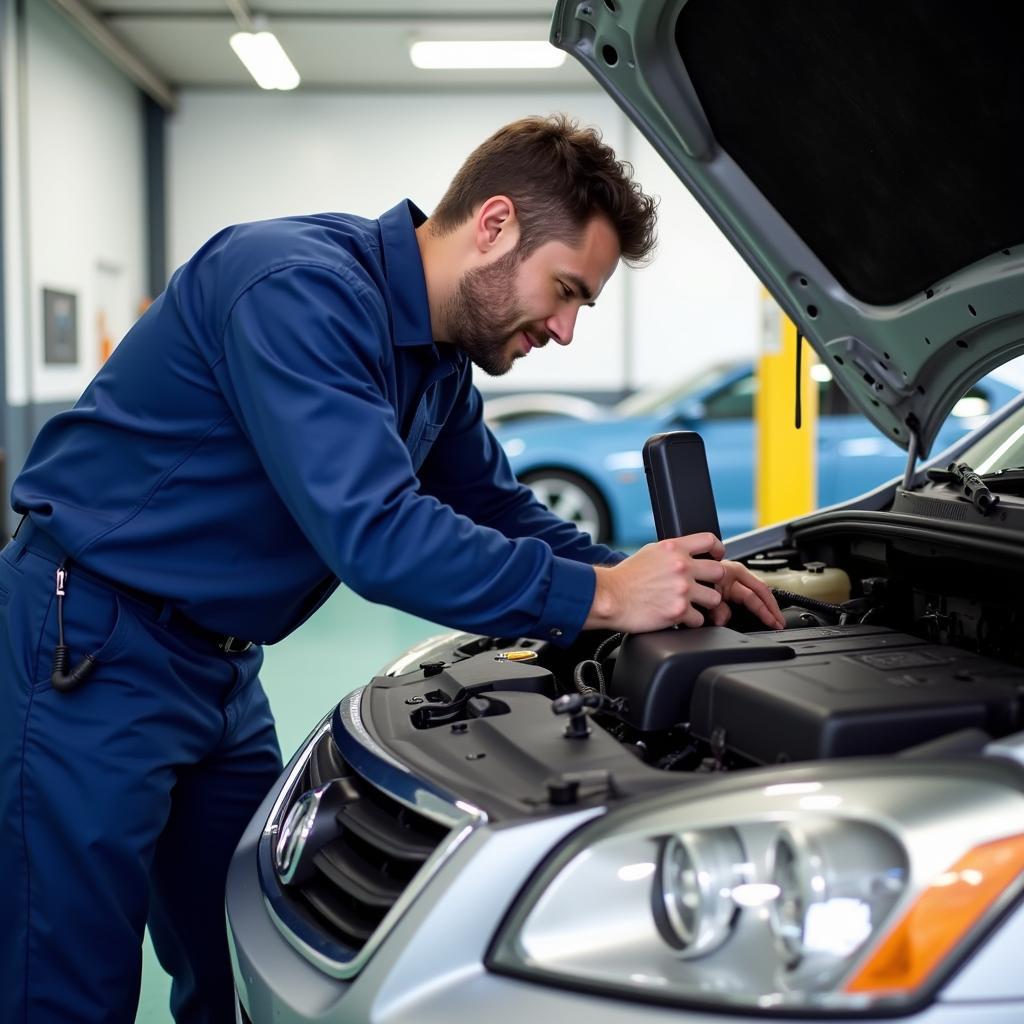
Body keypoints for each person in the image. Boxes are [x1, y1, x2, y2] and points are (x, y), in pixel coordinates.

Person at [0, 114, 783, 1023]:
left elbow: (495, 509)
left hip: (220, 666)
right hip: (89, 646)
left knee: (247, 957)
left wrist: (657, 582)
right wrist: (606, 596)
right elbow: (376, 533)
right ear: (493, 226)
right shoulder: (295, 289)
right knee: (65, 982)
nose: (566, 330)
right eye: (565, 290)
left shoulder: (439, 363)